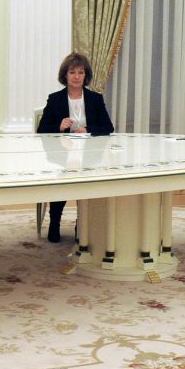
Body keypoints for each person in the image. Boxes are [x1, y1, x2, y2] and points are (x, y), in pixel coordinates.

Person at [36, 52, 114, 243]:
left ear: (85, 75)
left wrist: (88, 129)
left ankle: (83, 223)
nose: (77, 76)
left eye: (81, 72)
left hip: (89, 153)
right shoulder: (55, 99)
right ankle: (55, 222)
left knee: (87, 183)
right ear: (65, 76)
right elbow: (41, 130)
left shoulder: (95, 99)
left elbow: (108, 127)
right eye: (72, 72)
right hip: (61, 153)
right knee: (62, 181)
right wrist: (59, 127)